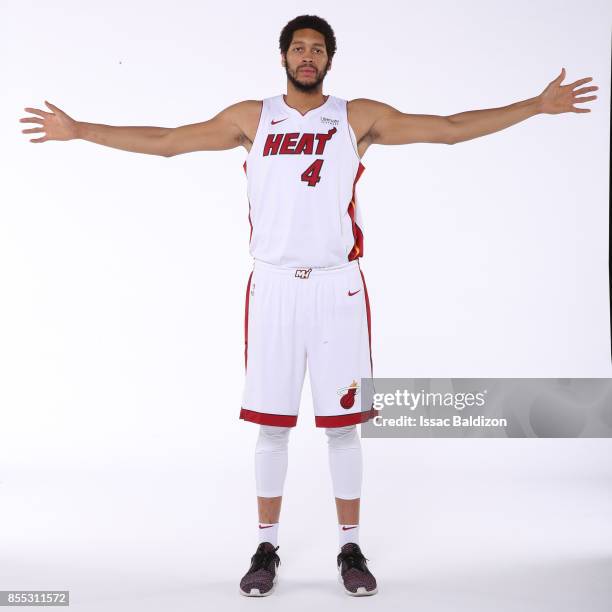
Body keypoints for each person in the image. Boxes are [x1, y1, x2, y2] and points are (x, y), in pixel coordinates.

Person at [20, 13, 598, 598]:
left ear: (328, 60)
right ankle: (266, 545)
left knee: (342, 429)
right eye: (297, 47)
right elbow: (169, 143)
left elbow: (447, 128)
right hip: (272, 287)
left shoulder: (355, 117)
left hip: (336, 287)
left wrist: (536, 104)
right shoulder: (253, 118)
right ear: (282, 58)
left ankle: (349, 545)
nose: (306, 56)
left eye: (316, 49)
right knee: (271, 428)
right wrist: (80, 130)